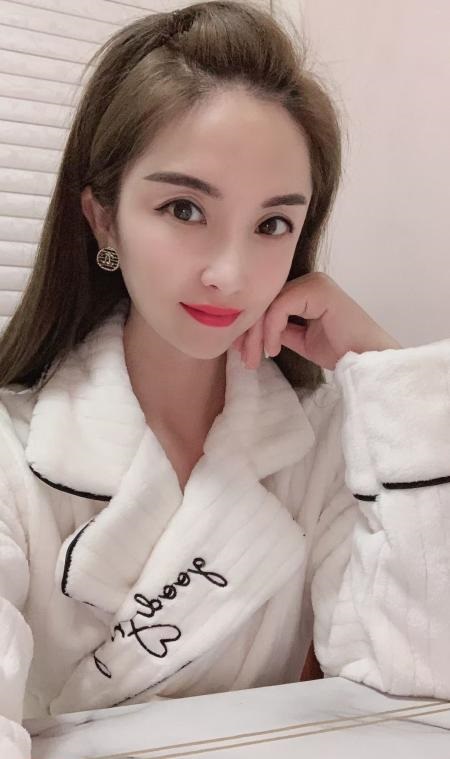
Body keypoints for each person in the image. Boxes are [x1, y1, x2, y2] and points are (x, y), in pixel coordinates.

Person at [0, 2, 448, 756]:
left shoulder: (324, 438)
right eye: (184, 208)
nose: (231, 275)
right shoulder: (13, 450)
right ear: (103, 219)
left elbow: (421, 682)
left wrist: (385, 368)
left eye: (272, 224)